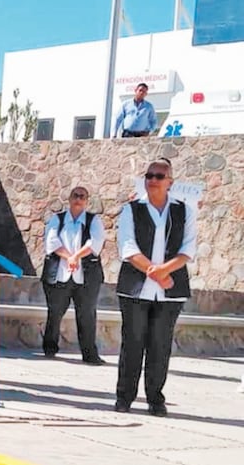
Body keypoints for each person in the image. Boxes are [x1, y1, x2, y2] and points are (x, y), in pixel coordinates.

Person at [114, 158, 197, 416]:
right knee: (133, 343)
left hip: (171, 289)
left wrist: (164, 272)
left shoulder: (184, 210)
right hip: (136, 288)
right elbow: (127, 248)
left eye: (159, 176)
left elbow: (188, 249)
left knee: (160, 345)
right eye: (149, 175)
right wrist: (155, 273)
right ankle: (124, 398)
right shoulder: (131, 210)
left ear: (170, 182)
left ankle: (155, 399)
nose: (152, 180)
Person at [41, 186, 106, 364]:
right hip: (60, 274)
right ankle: (49, 347)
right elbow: (52, 241)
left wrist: (76, 256)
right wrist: (68, 257)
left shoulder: (94, 221)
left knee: (87, 314)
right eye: (75, 196)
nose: (78, 199)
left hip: (85, 276)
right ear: (69, 199)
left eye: (82, 196)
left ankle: (89, 354)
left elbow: (96, 242)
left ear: (87, 201)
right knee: (55, 312)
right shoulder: (58, 219)